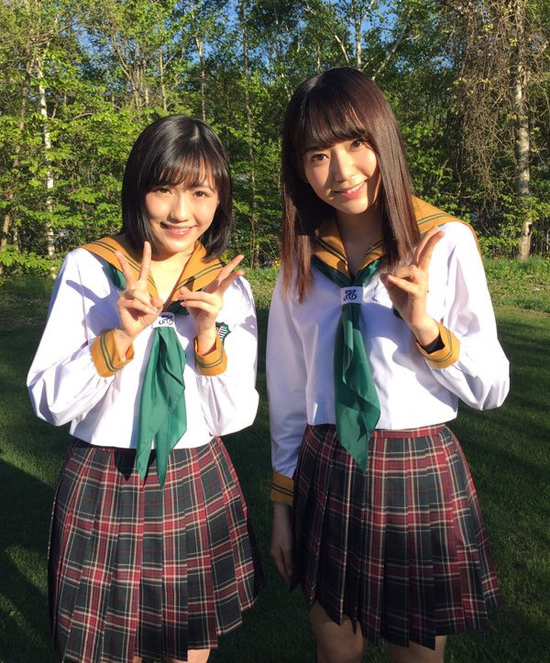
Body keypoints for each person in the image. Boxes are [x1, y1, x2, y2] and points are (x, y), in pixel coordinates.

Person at [267, 68, 509, 663]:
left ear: (384, 139)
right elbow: (289, 393)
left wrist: (424, 325)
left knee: (416, 657)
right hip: (326, 465)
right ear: (300, 169)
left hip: (414, 465)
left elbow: (491, 386)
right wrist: (282, 504)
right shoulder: (301, 260)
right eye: (318, 155)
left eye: (356, 143)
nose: (342, 171)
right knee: (336, 650)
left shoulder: (443, 241)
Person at [27, 115, 263, 663]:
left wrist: (208, 338)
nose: (181, 212)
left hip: (194, 477)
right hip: (106, 477)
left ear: (220, 200)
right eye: (163, 189)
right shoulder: (90, 268)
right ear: (139, 190)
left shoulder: (226, 288)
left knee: (187, 649)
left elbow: (233, 419)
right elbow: (50, 402)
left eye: (200, 193)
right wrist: (117, 338)